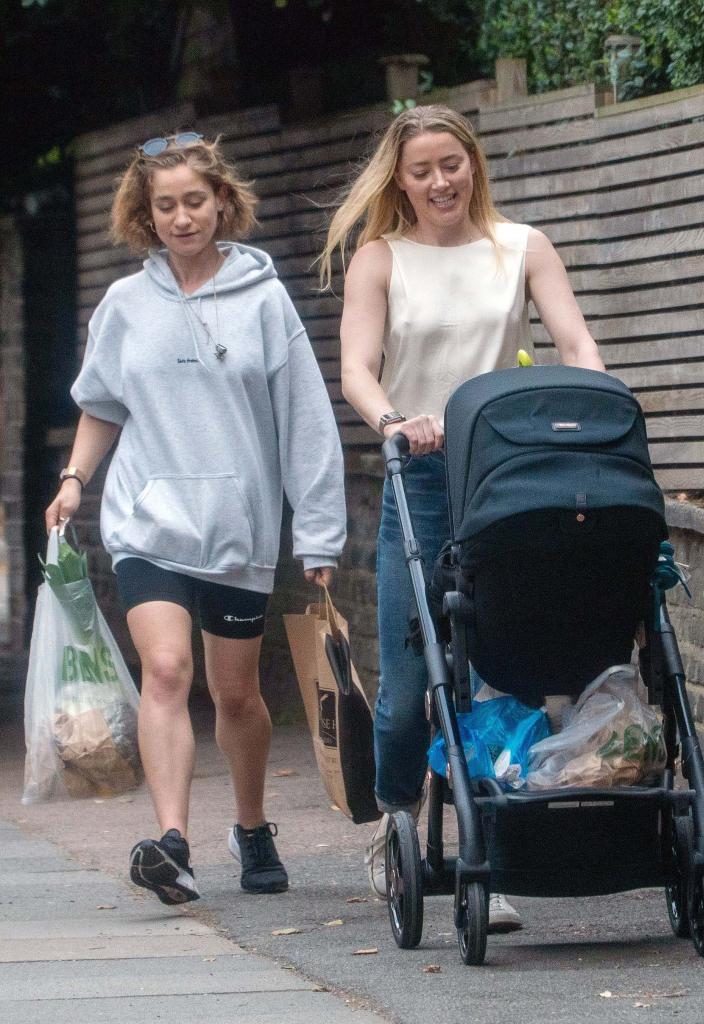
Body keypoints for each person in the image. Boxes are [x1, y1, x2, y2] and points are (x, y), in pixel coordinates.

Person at [319, 104, 606, 934]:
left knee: (501, 670)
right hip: (424, 475)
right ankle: (396, 823)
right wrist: (395, 422)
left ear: (473, 163)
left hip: (511, 474)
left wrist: (589, 396)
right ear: (399, 181)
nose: (441, 180)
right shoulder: (380, 260)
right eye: (422, 170)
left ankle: (495, 850)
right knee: (411, 689)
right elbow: (357, 369)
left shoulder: (523, 248)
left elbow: (577, 344)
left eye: (453, 163)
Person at [45, 132, 346, 906]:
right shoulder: (124, 304)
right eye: (165, 205)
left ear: (222, 203)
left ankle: (251, 827)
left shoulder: (264, 299)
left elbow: (306, 423)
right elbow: (100, 405)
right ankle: (173, 844)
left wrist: (318, 532)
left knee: (237, 695)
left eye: (193, 202)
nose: (182, 217)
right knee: (168, 670)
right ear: (146, 215)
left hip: (239, 530)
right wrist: (76, 478)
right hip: (149, 522)